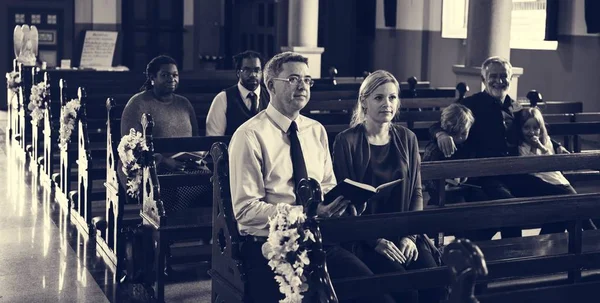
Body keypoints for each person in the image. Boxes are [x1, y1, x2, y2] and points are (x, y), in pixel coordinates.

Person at [229, 52, 396, 303]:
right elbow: (246, 210)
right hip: (271, 246)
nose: (302, 86)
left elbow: (327, 184)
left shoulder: (315, 130)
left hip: (319, 242)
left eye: (307, 80)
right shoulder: (250, 135)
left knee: (376, 295)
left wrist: (342, 203)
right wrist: (307, 212)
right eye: (293, 79)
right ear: (271, 85)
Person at [332, 70, 444, 303]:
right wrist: (375, 241)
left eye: (392, 97)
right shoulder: (346, 141)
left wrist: (410, 236)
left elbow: (416, 192)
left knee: (436, 284)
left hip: (404, 231)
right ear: (364, 101)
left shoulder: (408, 138)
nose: (387, 104)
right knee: (406, 291)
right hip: (365, 237)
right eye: (379, 97)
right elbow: (345, 203)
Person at [429, 56, 568, 238]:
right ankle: (512, 257)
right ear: (484, 79)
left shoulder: (515, 107)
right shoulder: (471, 104)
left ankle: (541, 247)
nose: (499, 80)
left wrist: (557, 146)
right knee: (511, 209)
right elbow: (436, 124)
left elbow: (532, 131)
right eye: (493, 76)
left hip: (514, 173)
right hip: (485, 176)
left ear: (510, 79)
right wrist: (441, 134)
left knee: (564, 199)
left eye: (503, 76)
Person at [514, 107, 597, 234]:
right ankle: (592, 234)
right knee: (573, 204)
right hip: (542, 183)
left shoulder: (546, 141)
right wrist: (535, 148)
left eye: (535, 128)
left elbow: (552, 161)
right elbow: (530, 166)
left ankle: (545, 243)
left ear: (541, 129)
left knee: (567, 212)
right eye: (527, 127)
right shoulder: (522, 147)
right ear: (520, 129)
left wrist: (541, 146)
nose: (532, 132)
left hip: (558, 180)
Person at [205, 50, 270, 136]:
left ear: (262, 73)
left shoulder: (271, 97)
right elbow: (214, 139)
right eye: (247, 70)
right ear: (238, 73)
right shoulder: (223, 99)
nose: (253, 75)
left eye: (257, 70)